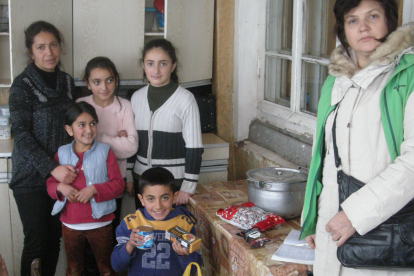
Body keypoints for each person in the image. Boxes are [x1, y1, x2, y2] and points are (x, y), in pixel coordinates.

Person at [300, 0, 414, 275]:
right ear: (343, 30)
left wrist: (355, 214)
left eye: (372, 16)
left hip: (384, 233)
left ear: (389, 21)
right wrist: (313, 218)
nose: (362, 27)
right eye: (352, 20)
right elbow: (325, 158)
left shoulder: (407, 75)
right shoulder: (336, 81)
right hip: (333, 229)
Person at [8, 20, 76, 276]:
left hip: (63, 176)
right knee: (36, 242)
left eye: (53, 45)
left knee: (54, 240)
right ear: (31, 51)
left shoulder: (67, 82)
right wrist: (51, 168)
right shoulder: (22, 85)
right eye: (41, 47)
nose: (49, 52)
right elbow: (22, 135)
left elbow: (76, 122)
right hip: (31, 179)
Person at [46, 102, 124, 276]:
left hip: (101, 223)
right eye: (81, 125)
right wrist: (60, 187)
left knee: (106, 269)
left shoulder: (105, 151)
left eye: (92, 123)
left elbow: (119, 184)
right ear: (69, 129)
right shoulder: (61, 153)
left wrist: (94, 189)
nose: (89, 129)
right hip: (70, 224)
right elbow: (50, 184)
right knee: (73, 269)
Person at [131, 38, 204, 208]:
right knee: (145, 231)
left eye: (163, 64)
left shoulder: (186, 99)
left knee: (172, 232)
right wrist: (128, 176)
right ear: (143, 65)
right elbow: (132, 141)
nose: (155, 70)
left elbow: (194, 147)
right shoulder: (136, 98)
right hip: (142, 181)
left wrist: (188, 186)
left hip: (173, 185)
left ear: (173, 66)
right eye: (150, 63)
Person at [77, 56, 138, 234]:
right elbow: (79, 146)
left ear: (116, 80)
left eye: (109, 80)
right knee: (86, 235)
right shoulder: (81, 106)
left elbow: (131, 147)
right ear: (87, 84)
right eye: (97, 82)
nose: (104, 88)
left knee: (110, 234)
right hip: (84, 182)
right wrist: (115, 139)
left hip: (113, 183)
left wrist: (99, 138)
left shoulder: (124, 106)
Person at [111, 167, 203, 275]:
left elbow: (195, 269)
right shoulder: (130, 223)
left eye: (164, 198)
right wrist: (129, 245)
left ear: (174, 197)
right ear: (141, 200)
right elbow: (117, 266)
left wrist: (183, 255)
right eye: (151, 199)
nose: (158, 206)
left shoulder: (184, 223)